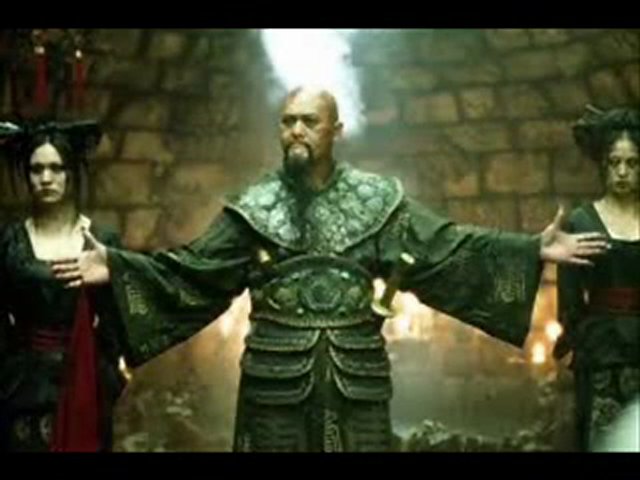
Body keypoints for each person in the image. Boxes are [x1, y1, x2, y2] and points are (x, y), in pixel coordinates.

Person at [52, 88, 609, 452]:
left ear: (335, 130)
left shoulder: (376, 200)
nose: (296, 131)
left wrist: (528, 251)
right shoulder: (255, 205)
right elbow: (193, 270)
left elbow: (445, 247)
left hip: (355, 378)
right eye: (287, 122)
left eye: (309, 122)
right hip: (274, 380)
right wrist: (119, 268)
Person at [0, 120, 132, 451]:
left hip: (85, 378)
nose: (46, 178)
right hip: (23, 386)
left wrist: (108, 373)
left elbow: (116, 320)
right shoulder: (10, 242)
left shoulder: (101, 240)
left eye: (56, 168)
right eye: (36, 169)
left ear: (71, 173)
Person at [553, 106, 640, 452]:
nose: (622, 172)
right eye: (614, 163)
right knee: (602, 438)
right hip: (602, 348)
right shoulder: (582, 221)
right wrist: (575, 337)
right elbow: (570, 295)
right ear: (604, 165)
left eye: (632, 163)